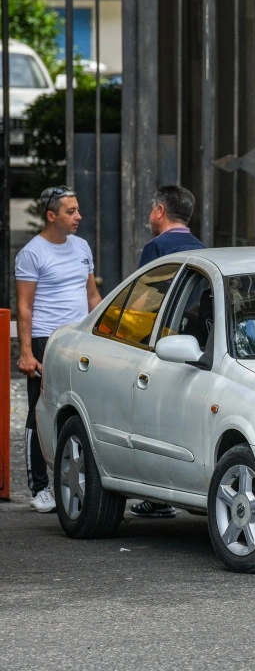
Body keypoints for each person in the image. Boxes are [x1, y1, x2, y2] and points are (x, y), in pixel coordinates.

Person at [15, 186, 102, 513]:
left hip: (80, 340)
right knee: (41, 410)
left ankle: (79, 479)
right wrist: (26, 352)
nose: (78, 216)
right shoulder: (32, 253)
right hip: (46, 341)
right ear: (52, 216)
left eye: (78, 210)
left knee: (81, 409)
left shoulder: (81, 247)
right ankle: (38, 486)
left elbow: (92, 295)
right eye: (70, 211)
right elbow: (24, 307)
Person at [131, 185, 206, 518]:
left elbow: (144, 303)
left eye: (151, 210)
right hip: (197, 347)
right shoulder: (203, 250)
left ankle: (158, 496)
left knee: (153, 422)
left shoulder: (157, 248)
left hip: (163, 345)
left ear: (160, 211)